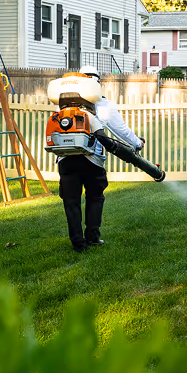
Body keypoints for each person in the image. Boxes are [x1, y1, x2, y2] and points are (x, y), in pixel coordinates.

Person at [57, 66, 143, 252]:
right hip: (93, 160)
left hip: (66, 158)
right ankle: (93, 237)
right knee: (95, 197)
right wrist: (137, 143)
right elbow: (120, 130)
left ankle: (78, 243)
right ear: (97, 83)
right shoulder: (104, 105)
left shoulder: (64, 104)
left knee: (71, 201)